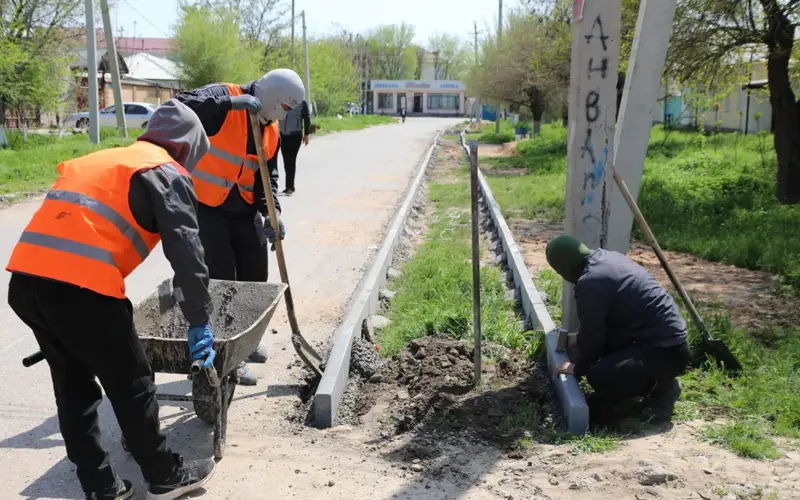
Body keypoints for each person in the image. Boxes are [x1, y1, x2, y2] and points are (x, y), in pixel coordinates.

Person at [6, 100, 218, 500]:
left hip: (26, 284)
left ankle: (102, 487)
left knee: (73, 387)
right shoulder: (166, 172)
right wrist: (198, 320)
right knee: (132, 382)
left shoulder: (105, 158)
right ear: (187, 148)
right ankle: (164, 476)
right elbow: (188, 255)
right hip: (81, 290)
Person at [174, 69, 305, 386]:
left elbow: (266, 177)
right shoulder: (225, 95)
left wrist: (273, 214)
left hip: (243, 211)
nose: (282, 117)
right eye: (284, 110)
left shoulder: (270, 130)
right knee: (221, 278)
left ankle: (244, 341)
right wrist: (230, 104)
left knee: (255, 274)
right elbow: (180, 104)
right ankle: (225, 357)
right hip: (206, 207)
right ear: (273, 100)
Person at [545, 234, 690, 426]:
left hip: (663, 352)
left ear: (563, 267)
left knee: (598, 375)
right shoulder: (607, 259)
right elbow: (610, 323)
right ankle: (654, 378)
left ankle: (660, 387)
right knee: (602, 355)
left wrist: (578, 368)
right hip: (671, 345)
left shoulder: (590, 282)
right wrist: (580, 339)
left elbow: (595, 334)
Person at [277, 99, 311, 196]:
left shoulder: (301, 102)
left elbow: (306, 117)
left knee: (291, 160)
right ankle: (288, 186)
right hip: (282, 135)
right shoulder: (281, 99)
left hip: (295, 135)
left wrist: (306, 134)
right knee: (286, 161)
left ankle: (290, 187)